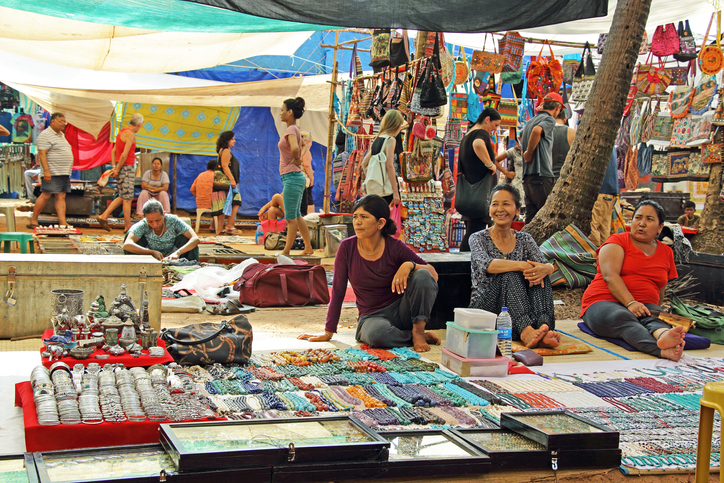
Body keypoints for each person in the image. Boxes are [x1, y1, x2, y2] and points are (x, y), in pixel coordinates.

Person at [298, 195, 441, 352]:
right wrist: (328, 332)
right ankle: (410, 337)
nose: (357, 222)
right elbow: (338, 291)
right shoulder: (347, 247)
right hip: (373, 318)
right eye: (355, 217)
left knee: (422, 275)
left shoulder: (395, 246)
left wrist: (410, 265)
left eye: (364, 217)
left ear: (380, 223)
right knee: (377, 335)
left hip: (403, 311)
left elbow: (432, 274)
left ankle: (418, 332)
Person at [581, 200, 685, 361]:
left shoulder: (666, 252)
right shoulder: (617, 241)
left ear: (660, 227)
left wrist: (654, 308)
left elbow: (661, 287)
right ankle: (660, 350)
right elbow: (610, 276)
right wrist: (631, 303)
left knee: (656, 318)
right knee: (622, 317)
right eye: (638, 218)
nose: (641, 224)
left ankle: (664, 335)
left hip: (643, 305)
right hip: (603, 301)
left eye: (649, 219)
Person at [469, 184, 559, 348]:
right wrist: (522, 266)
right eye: (495, 204)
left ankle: (543, 327)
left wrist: (547, 268)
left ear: (517, 210)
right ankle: (526, 331)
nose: (499, 209)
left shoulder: (525, 239)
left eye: (506, 204)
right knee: (510, 274)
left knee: (539, 274)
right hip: (487, 309)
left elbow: (544, 264)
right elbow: (486, 265)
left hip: (518, 307)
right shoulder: (478, 238)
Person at [457, 107, 502, 251]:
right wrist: (490, 165)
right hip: (479, 196)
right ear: (487, 119)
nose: (494, 129)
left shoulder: (468, 134)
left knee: (471, 233)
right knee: (474, 235)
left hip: (470, 194)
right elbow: (478, 144)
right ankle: (463, 267)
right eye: (495, 125)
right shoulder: (481, 133)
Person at [520, 92, 565, 223]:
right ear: (557, 108)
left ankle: (528, 243)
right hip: (541, 175)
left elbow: (525, 135)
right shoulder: (549, 119)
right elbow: (537, 131)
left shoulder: (530, 121)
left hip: (528, 176)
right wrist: (529, 152)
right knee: (546, 218)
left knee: (531, 218)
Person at [278, 97, 313, 255]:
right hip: (294, 177)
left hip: (292, 177)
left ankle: (286, 251)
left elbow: (295, 148)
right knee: (297, 216)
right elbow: (304, 145)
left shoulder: (291, 130)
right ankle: (308, 247)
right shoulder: (296, 129)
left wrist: (297, 156)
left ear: (290, 112)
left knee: (291, 218)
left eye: (282, 110)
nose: (281, 113)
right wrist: (299, 156)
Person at [98, 113, 143, 232]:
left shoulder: (121, 132)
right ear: (139, 125)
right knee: (128, 198)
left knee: (123, 196)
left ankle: (104, 216)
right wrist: (117, 169)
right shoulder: (130, 134)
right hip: (126, 167)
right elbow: (124, 154)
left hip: (121, 166)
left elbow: (113, 151)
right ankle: (128, 226)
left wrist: (114, 166)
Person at [27, 113, 74, 228]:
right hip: (53, 171)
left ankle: (62, 222)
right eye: (61, 121)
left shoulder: (61, 135)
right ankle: (34, 220)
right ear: (52, 121)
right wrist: (47, 171)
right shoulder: (46, 134)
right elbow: (42, 153)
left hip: (63, 171)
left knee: (61, 196)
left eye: (64, 121)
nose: (64, 123)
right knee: (46, 195)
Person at [123, 200, 200, 262]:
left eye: (158, 220)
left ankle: (190, 269)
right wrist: (151, 252)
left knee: (186, 240)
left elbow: (195, 239)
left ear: (164, 214)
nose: (155, 225)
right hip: (149, 257)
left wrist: (177, 253)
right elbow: (127, 244)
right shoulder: (143, 224)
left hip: (175, 257)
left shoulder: (173, 220)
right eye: (150, 221)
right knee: (130, 237)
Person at [361, 110, 403, 207]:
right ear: (396, 124)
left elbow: (364, 163)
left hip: (374, 189)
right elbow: (389, 166)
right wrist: (396, 192)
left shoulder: (378, 138)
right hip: (386, 190)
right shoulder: (390, 140)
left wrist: (373, 178)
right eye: (400, 125)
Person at [211, 131, 242, 235]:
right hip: (225, 182)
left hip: (220, 181)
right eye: (232, 139)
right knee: (236, 200)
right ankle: (229, 225)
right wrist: (232, 180)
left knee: (222, 204)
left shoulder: (221, 150)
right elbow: (225, 166)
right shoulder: (226, 151)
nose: (234, 141)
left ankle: (220, 229)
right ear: (227, 140)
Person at [589, 149, 619, 246]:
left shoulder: (597, 142)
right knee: (604, 229)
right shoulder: (610, 144)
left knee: (592, 227)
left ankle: (593, 255)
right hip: (611, 191)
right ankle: (603, 256)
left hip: (601, 190)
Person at [494, 138, 525, 211]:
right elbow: (495, 160)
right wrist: (506, 173)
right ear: (520, 139)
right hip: (517, 185)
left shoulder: (535, 151)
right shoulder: (514, 151)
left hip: (530, 186)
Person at [190, 159, 217, 231]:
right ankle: (215, 227)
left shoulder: (200, 175)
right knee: (222, 204)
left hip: (200, 203)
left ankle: (213, 226)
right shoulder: (216, 176)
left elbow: (192, 190)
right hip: (212, 203)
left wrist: (199, 197)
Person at [551, 108, 576, 179]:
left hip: (545, 179)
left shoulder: (540, 131)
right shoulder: (573, 133)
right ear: (565, 120)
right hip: (564, 178)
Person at [300, 131, 315, 214]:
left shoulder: (296, 150)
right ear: (307, 142)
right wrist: (312, 178)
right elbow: (307, 165)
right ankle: (309, 221)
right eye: (311, 142)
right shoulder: (305, 151)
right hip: (305, 179)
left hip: (298, 178)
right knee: (308, 200)